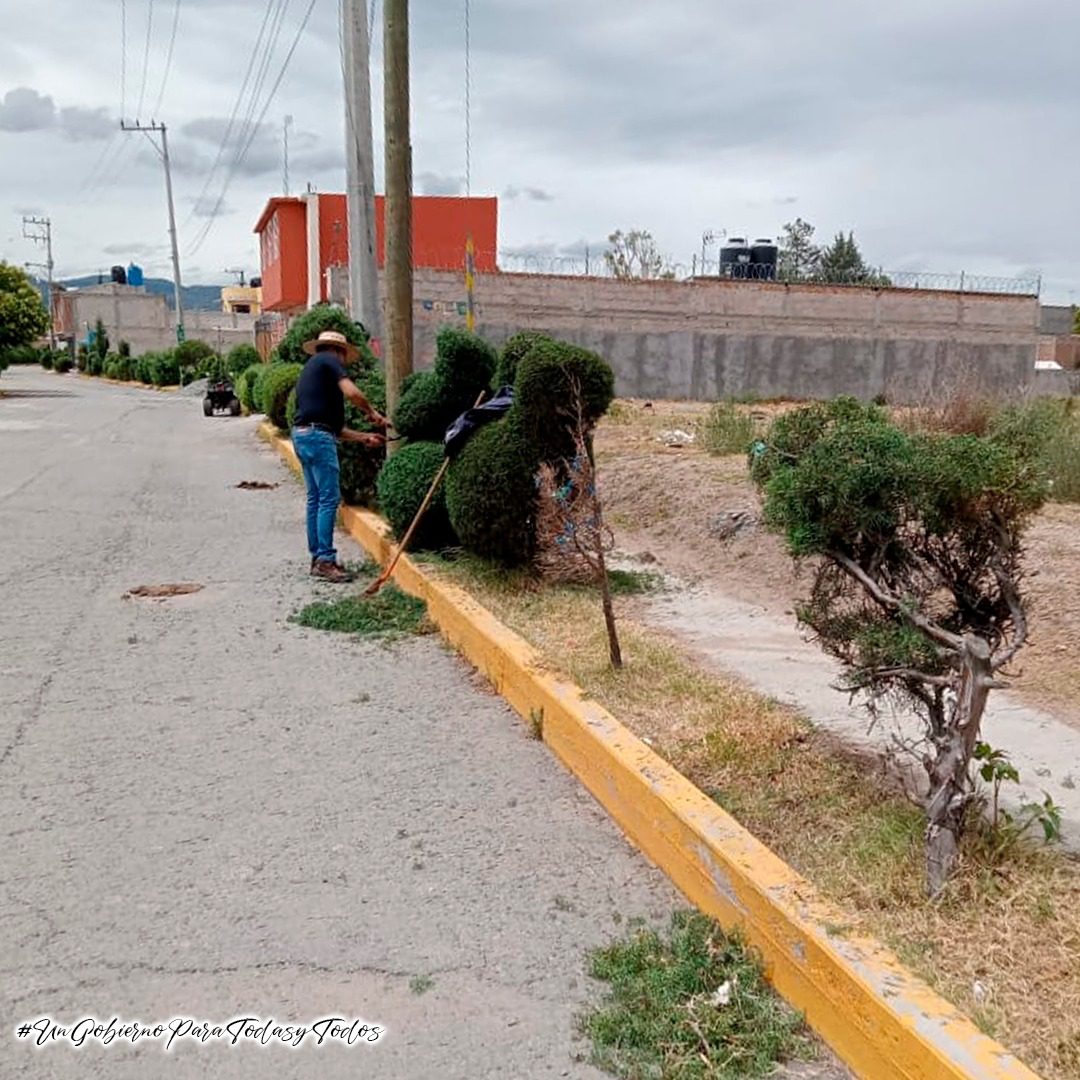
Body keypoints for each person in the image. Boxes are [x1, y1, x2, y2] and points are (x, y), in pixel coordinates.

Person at [292, 330, 388, 583]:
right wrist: (373, 413)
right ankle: (325, 560)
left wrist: (364, 437)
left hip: (303, 435)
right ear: (339, 351)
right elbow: (353, 393)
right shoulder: (329, 361)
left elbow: (333, 428)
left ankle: (317, 557)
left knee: (315, 499)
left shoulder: (313, 367)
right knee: (328, 499)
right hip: (317, 437)